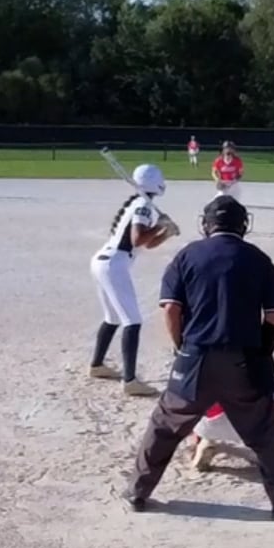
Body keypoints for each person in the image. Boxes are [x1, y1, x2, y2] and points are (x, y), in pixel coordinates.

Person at [123, 195, 274, 521]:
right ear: (243, 225)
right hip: (244, 361)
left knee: (164, 426)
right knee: (265, 434)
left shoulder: (186, 256)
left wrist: (182, 347)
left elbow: (171, 309)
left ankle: (138, 492)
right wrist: (262, 354)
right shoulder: (259, 259)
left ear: (206, 225)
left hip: (195, 357)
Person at [89, 163, 174, 397]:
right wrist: (159, 225)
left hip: (104, 261)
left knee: (113, 318)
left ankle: (97, 365)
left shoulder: (138, 203)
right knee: (132, 321)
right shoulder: (143, 206)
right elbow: (137, 239)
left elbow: (146, 243)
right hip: (114, 264)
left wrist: (165, 232)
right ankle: (130, 380)